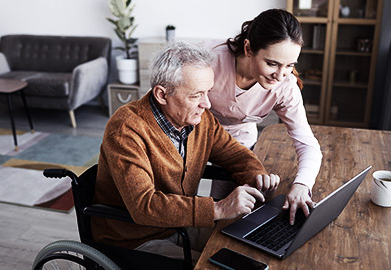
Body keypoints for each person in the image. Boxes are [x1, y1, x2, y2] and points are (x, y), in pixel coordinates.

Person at [91, 42, 280, 262]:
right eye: (196, 95)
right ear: (162, 95)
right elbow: (144, 205)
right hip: (134, 240)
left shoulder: (200, 120)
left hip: (180, 225)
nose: (207, 104)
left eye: (208, 92)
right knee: (219, 265)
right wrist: (217, 209)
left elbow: (233, 153)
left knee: (251, 249)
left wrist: (257, 176)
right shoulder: (126, 129)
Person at [206, 9, 322, 225]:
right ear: (249, 48)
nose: (280, 76)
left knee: (230, 215)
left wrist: (302, 185)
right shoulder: (210, 59)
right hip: (196, 135)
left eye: (290, 65)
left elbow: (307, 143)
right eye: (272, 64)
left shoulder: (285, 87)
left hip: (239, 144)